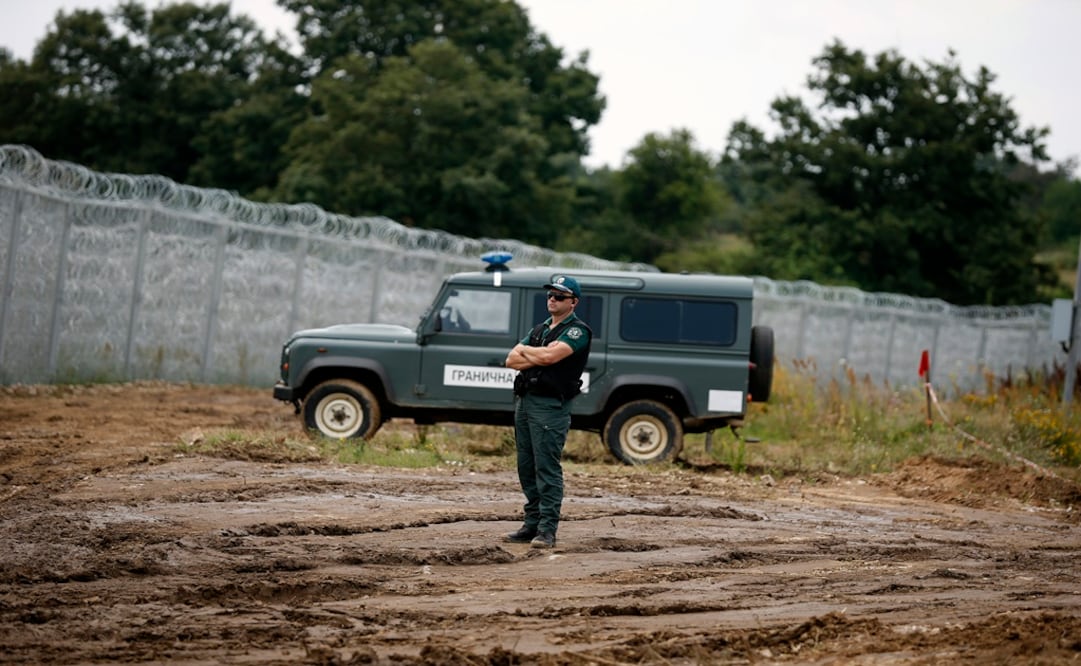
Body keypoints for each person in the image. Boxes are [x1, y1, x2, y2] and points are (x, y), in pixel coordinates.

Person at [503, 275, 592, 548]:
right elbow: (510, 359)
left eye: (560, 296)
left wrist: (532, 353)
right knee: (526, 466)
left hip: (550, 406)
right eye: (550, 295)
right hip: (526, 401)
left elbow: (550, 358)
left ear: (573, 302)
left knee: (546, 468)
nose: (552, 299)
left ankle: (547, 529)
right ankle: (531, 524)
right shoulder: (541, 329)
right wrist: (538, 352)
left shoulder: (577, 331)